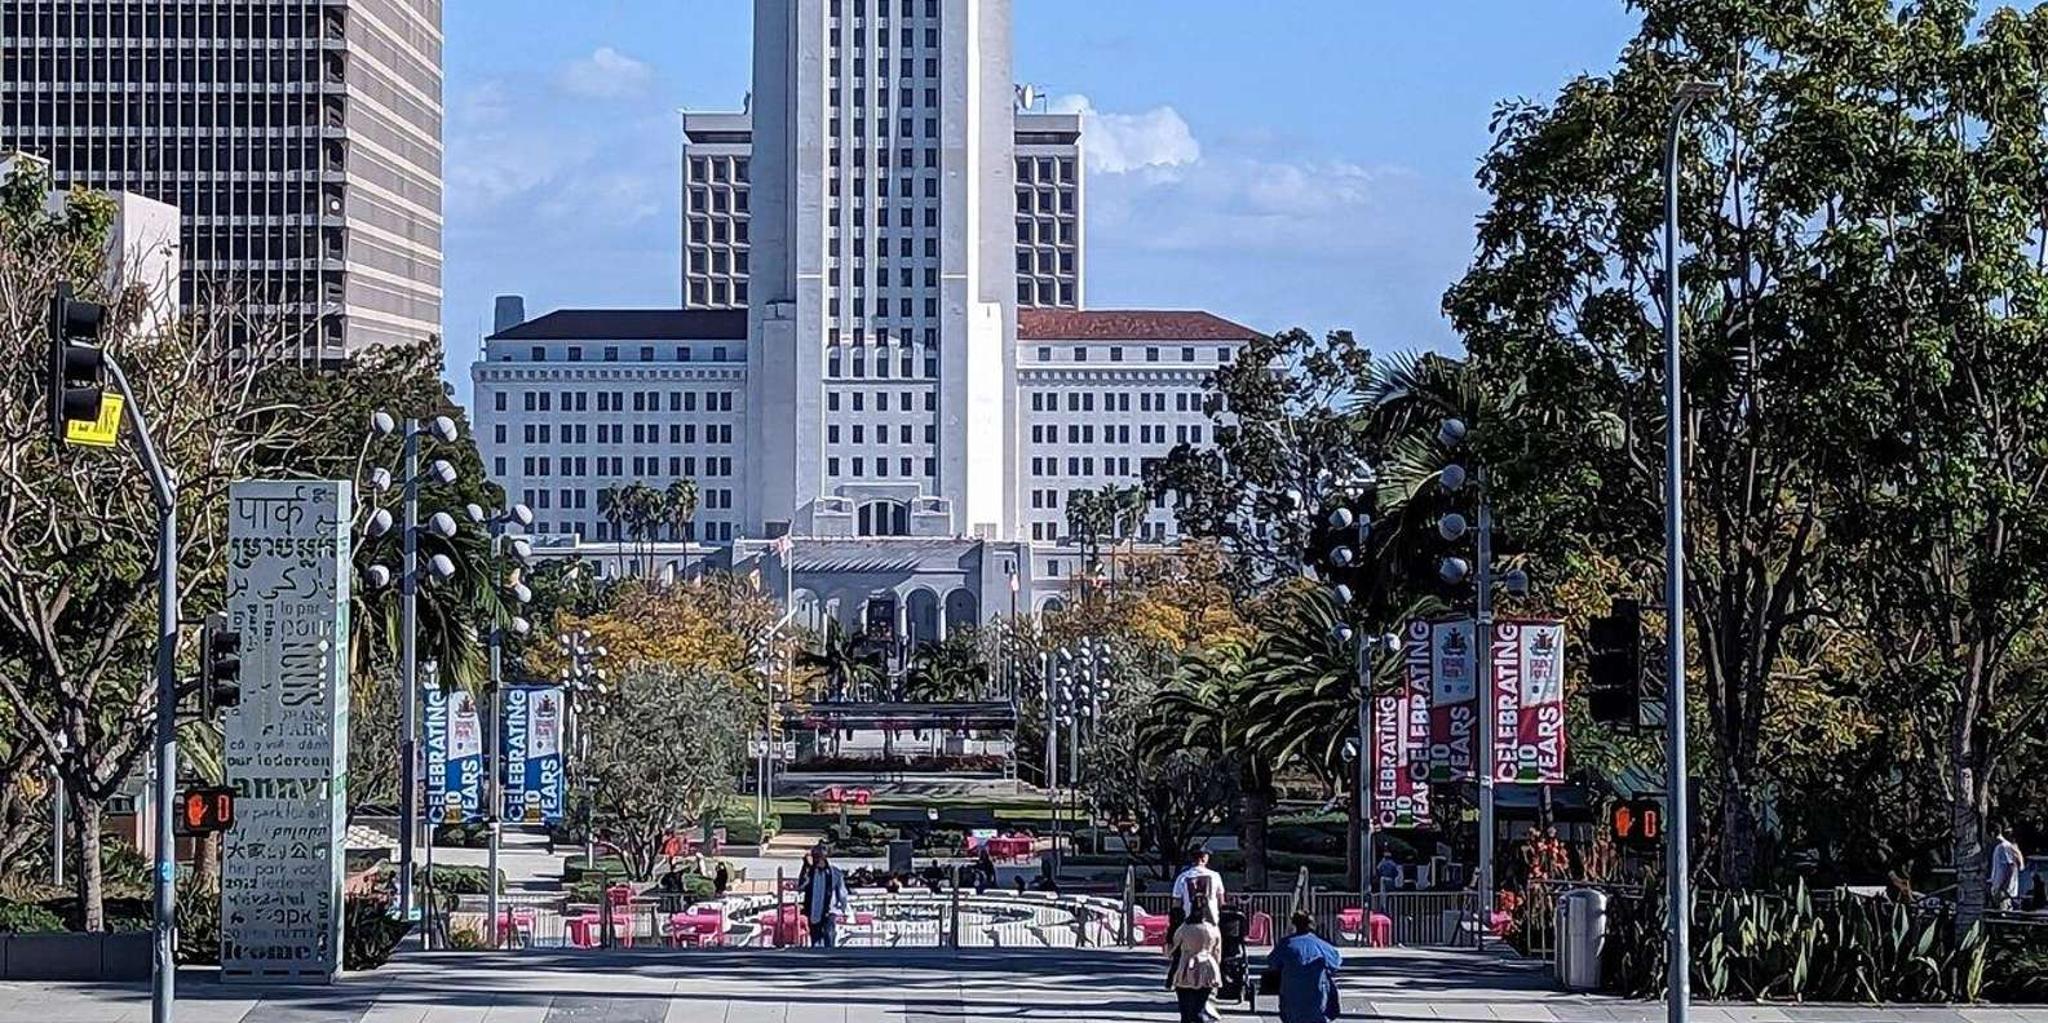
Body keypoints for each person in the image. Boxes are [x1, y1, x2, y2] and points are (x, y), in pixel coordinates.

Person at [1266, 911, 1343, 1023]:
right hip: (1317, 999)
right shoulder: (1320, 945)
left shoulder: (1286, 943)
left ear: (1294, 925)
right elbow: (1336, 963)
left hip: (1291, 997)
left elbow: (1272, 963)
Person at [1167, 911, 1223, 1022]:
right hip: (1207, 966)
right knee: (1199, 1007)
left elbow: (1172, 948)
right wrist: (1216, 967)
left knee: (1185, 1010)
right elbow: (1217, 951)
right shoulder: (1213, 929)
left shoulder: (1184, 928)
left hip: (1187, 966)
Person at [803, 846, 849, 947]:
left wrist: (845, 909)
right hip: (814, 910)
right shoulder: (810, 872)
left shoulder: (834, 872)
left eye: (817, 856)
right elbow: (801, 885)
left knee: (829, 936)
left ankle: (829, 959)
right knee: (815, 939)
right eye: (814, 856)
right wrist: (805, 866)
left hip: (829, 911)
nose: (815, 859)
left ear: (823, 857)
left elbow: (842, 892)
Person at [1990, 828, 2025, 911]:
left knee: (2003, 911)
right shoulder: (2004, 847)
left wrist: (2003, 887)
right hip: (2001, 887)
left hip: (2003, 888)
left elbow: (2010, 866)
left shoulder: (2003, 847)